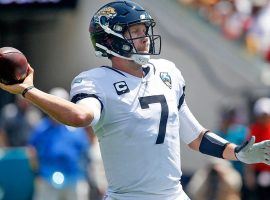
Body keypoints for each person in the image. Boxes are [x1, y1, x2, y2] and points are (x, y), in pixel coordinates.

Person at [0, 1, 270, 199]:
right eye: (135, 31)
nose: (145, 38)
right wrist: (28, 91)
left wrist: (238, 152)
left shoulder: (168, 71)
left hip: (174, 194)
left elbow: (195, 136)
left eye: (145, 29)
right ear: (111, 39)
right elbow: (80, 117)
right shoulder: (95, 81)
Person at [29, 87, 90, 200]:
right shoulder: (41, 127)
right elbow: (32, 151)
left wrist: (83, 177)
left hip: (74, 179)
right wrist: (37, 174)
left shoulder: (77, 128)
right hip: (47, 180)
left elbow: (85, 153)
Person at [247, 97, 270, 200]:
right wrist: (250, 174)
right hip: (258, 172)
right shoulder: (253, 130)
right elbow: (248, 151)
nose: (264, 118)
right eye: (262, 115)